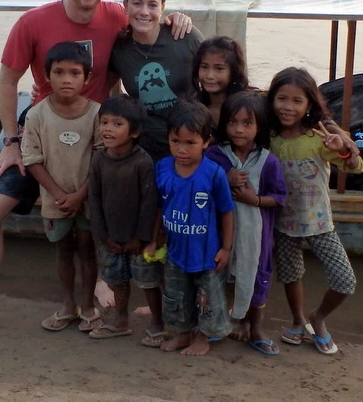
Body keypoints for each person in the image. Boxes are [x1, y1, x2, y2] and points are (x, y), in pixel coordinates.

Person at [0, 0, 191, 332]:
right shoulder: (33, 22)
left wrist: (178, 17)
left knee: (109, 205)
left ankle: (102, 281)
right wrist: (11, 141)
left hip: (99, 134)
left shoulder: (116, 16)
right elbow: (8, 83)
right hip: (40, 131)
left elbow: (149, 21)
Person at [264, 67, 363, 355]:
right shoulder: (269, 136)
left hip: (319, 222)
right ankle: (297, 320)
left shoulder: (319, 136)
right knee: (291, 274)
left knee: (344, 279)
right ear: (272, 100)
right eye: (281, 98)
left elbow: (355, 167)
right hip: (283, 222)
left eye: (297, 101)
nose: (288, 107)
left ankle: (317, 318)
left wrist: (344, 148)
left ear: (310, 104)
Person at [145, 101, 235, 356]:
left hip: (206, 254)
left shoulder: (214, 173)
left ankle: (203, 337)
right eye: (176, 142)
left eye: (190, 143)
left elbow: (227, 211)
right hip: (175, 251)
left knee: (207, 299)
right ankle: (183, 334)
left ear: (206, 141)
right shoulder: (162, 168)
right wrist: (155, 240)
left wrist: (226, 248)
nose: (182, 150)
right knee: (177, 296)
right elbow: (160, 207)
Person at [22, 42, 101, 332]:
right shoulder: (37, 115)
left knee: (88, 249)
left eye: (75, 73)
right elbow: (32, 159)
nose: (66, 79)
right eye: (59, 72)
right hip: (55, 203)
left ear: (87, 78)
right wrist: (59, 195)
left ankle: (89, 306)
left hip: (89, 199)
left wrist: (81, 194)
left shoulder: (97, 114)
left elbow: (102, 158)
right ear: (46, 76)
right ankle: (68, 305)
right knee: (64, 251)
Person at [205, 91, 287, 356]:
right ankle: (220, 322)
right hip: (220, 231)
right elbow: (200, 182)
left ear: (259, 126)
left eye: (247, 123)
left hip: (256, 235)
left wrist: (255, 199)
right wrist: (223, 178)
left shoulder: (268, 161)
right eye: (233, 122)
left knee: (257, 277)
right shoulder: (215, 156)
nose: (239, 129)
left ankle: (256, 329)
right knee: (219, 275)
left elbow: (280, 197)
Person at [87, 94, 164, 345]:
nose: (108, 128)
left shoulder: (142, 162)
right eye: (104, 122)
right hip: (110, 238)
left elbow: (149, 204)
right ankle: (121, 320)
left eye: (117, 124)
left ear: (135, 131)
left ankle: (158, 323)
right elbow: (94, 200)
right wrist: (103, 236)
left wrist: (140, 238)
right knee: (117, 280)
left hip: (137, 240)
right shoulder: (98, 160)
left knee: (148, 281)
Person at [109, 0, 204, 162]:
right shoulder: (120, 48)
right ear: (125, 5)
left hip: (189, 141)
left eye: (152, 5)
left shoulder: (185, 36)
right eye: (137, 3)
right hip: (145, 147)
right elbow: (111, 92)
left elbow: (217, 75)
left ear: (162, 7)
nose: (144, 12)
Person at [190, 35, 250, 128]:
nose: (210, 76)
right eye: (204, 67)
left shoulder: (247, 106)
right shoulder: (194, 107)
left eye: (219, 69)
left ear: (234, 72)